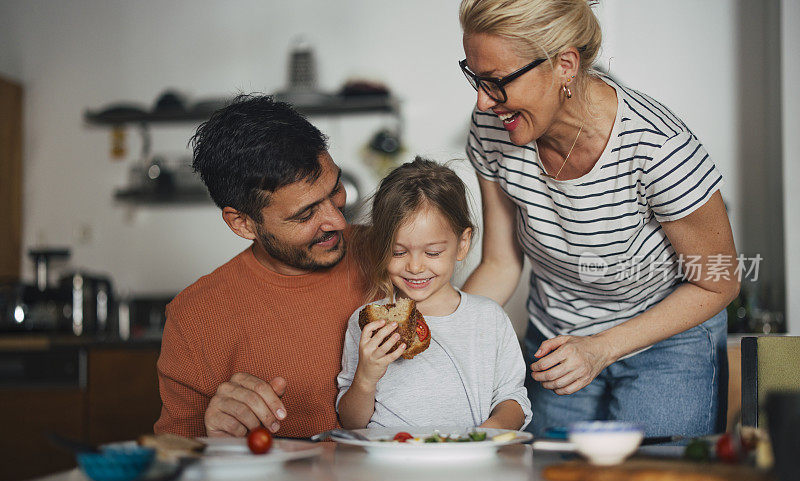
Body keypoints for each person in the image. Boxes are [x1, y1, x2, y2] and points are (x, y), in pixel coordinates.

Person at [458, 0, 740, 437]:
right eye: (475, 79)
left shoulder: (659, 149)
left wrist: (600, 349)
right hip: (557, 338)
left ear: (565, 65)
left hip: (667, 339)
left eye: (496, 82)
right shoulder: (492, 127)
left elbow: (718, 281)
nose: (483, 100)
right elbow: (500, 263)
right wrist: (442, 329)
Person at [154, 95, 365, 438]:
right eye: (306, 214)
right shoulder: (195, 317)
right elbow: (174, 463)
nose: (338, 221)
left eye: (335, 189)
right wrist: (213, 439)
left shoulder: (396, 255)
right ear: (243, 224)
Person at [336, 157, 532, 430]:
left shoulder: (489, 318)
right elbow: (351, 422)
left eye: (432, 253)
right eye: (398, 252)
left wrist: (486, 435)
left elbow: (513, 399)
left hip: (465, 463)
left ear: (462, 243)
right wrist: (365, 378)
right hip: (391, 465)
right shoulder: (368, 324)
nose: (415, 267)